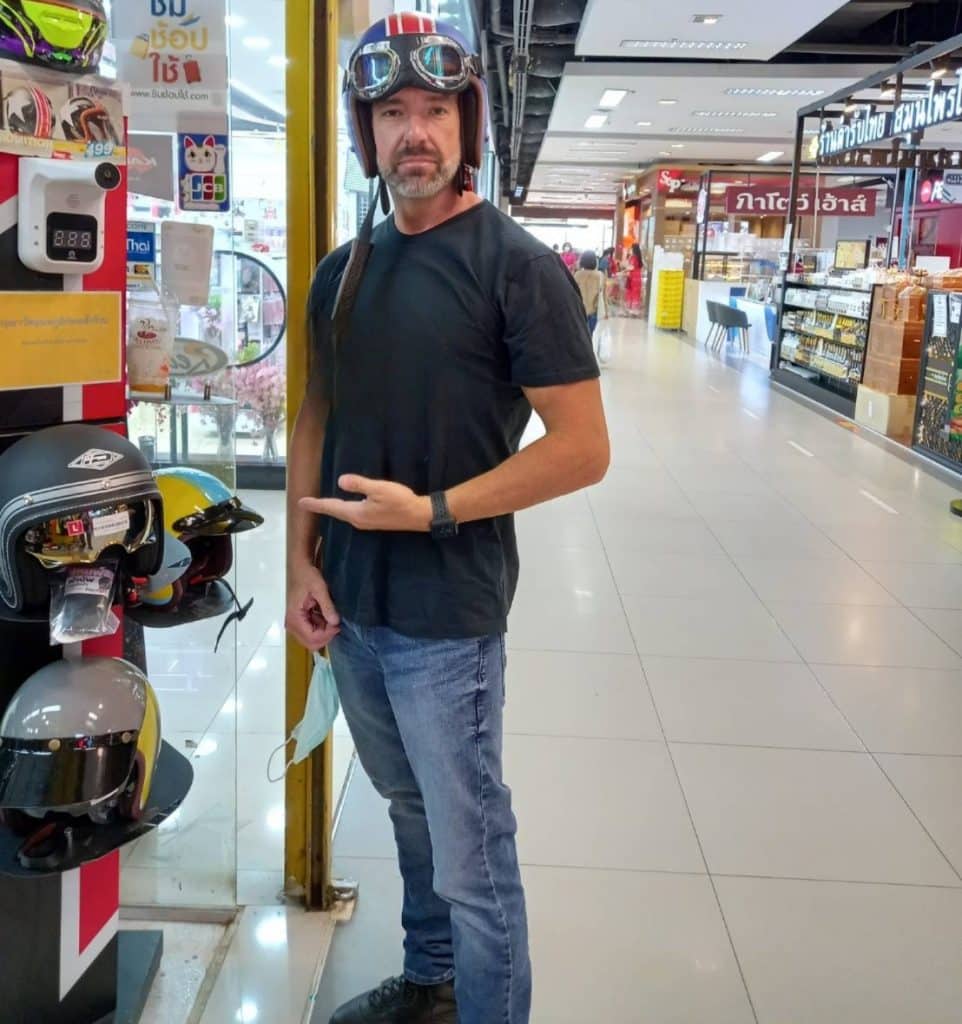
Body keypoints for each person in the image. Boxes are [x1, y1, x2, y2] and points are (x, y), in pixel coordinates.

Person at [285, 14, 609, 1024]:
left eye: (433, 111)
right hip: (351, 611)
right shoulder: (343, 271)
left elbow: (581, 447)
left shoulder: (517, 267)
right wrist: (301, 560)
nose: (412, 133)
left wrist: (428, 510)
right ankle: (429, 983)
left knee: (472, 853)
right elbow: (316, 412)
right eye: (391, 114)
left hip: (447, 619)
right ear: (365, 132)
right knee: (408, 808)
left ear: (466, 125)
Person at [573, 250, 607, 337]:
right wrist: (606, 311)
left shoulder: (577, 275)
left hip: (580, 311)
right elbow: (603, 294)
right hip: (593, 311)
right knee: (589, 336)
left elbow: (572, 293)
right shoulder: (600, 275)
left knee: (580, 336)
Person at [624, 242, 644, 316]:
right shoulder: (639, 258)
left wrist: (625, 270)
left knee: (631, 293)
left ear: (633, 249)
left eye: (631, 248)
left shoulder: (633, 257)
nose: (630, 249)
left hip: (632, 278)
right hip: (638, 278)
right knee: (636, 294)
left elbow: (631, 267)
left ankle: (631, 311)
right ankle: (635, 310)